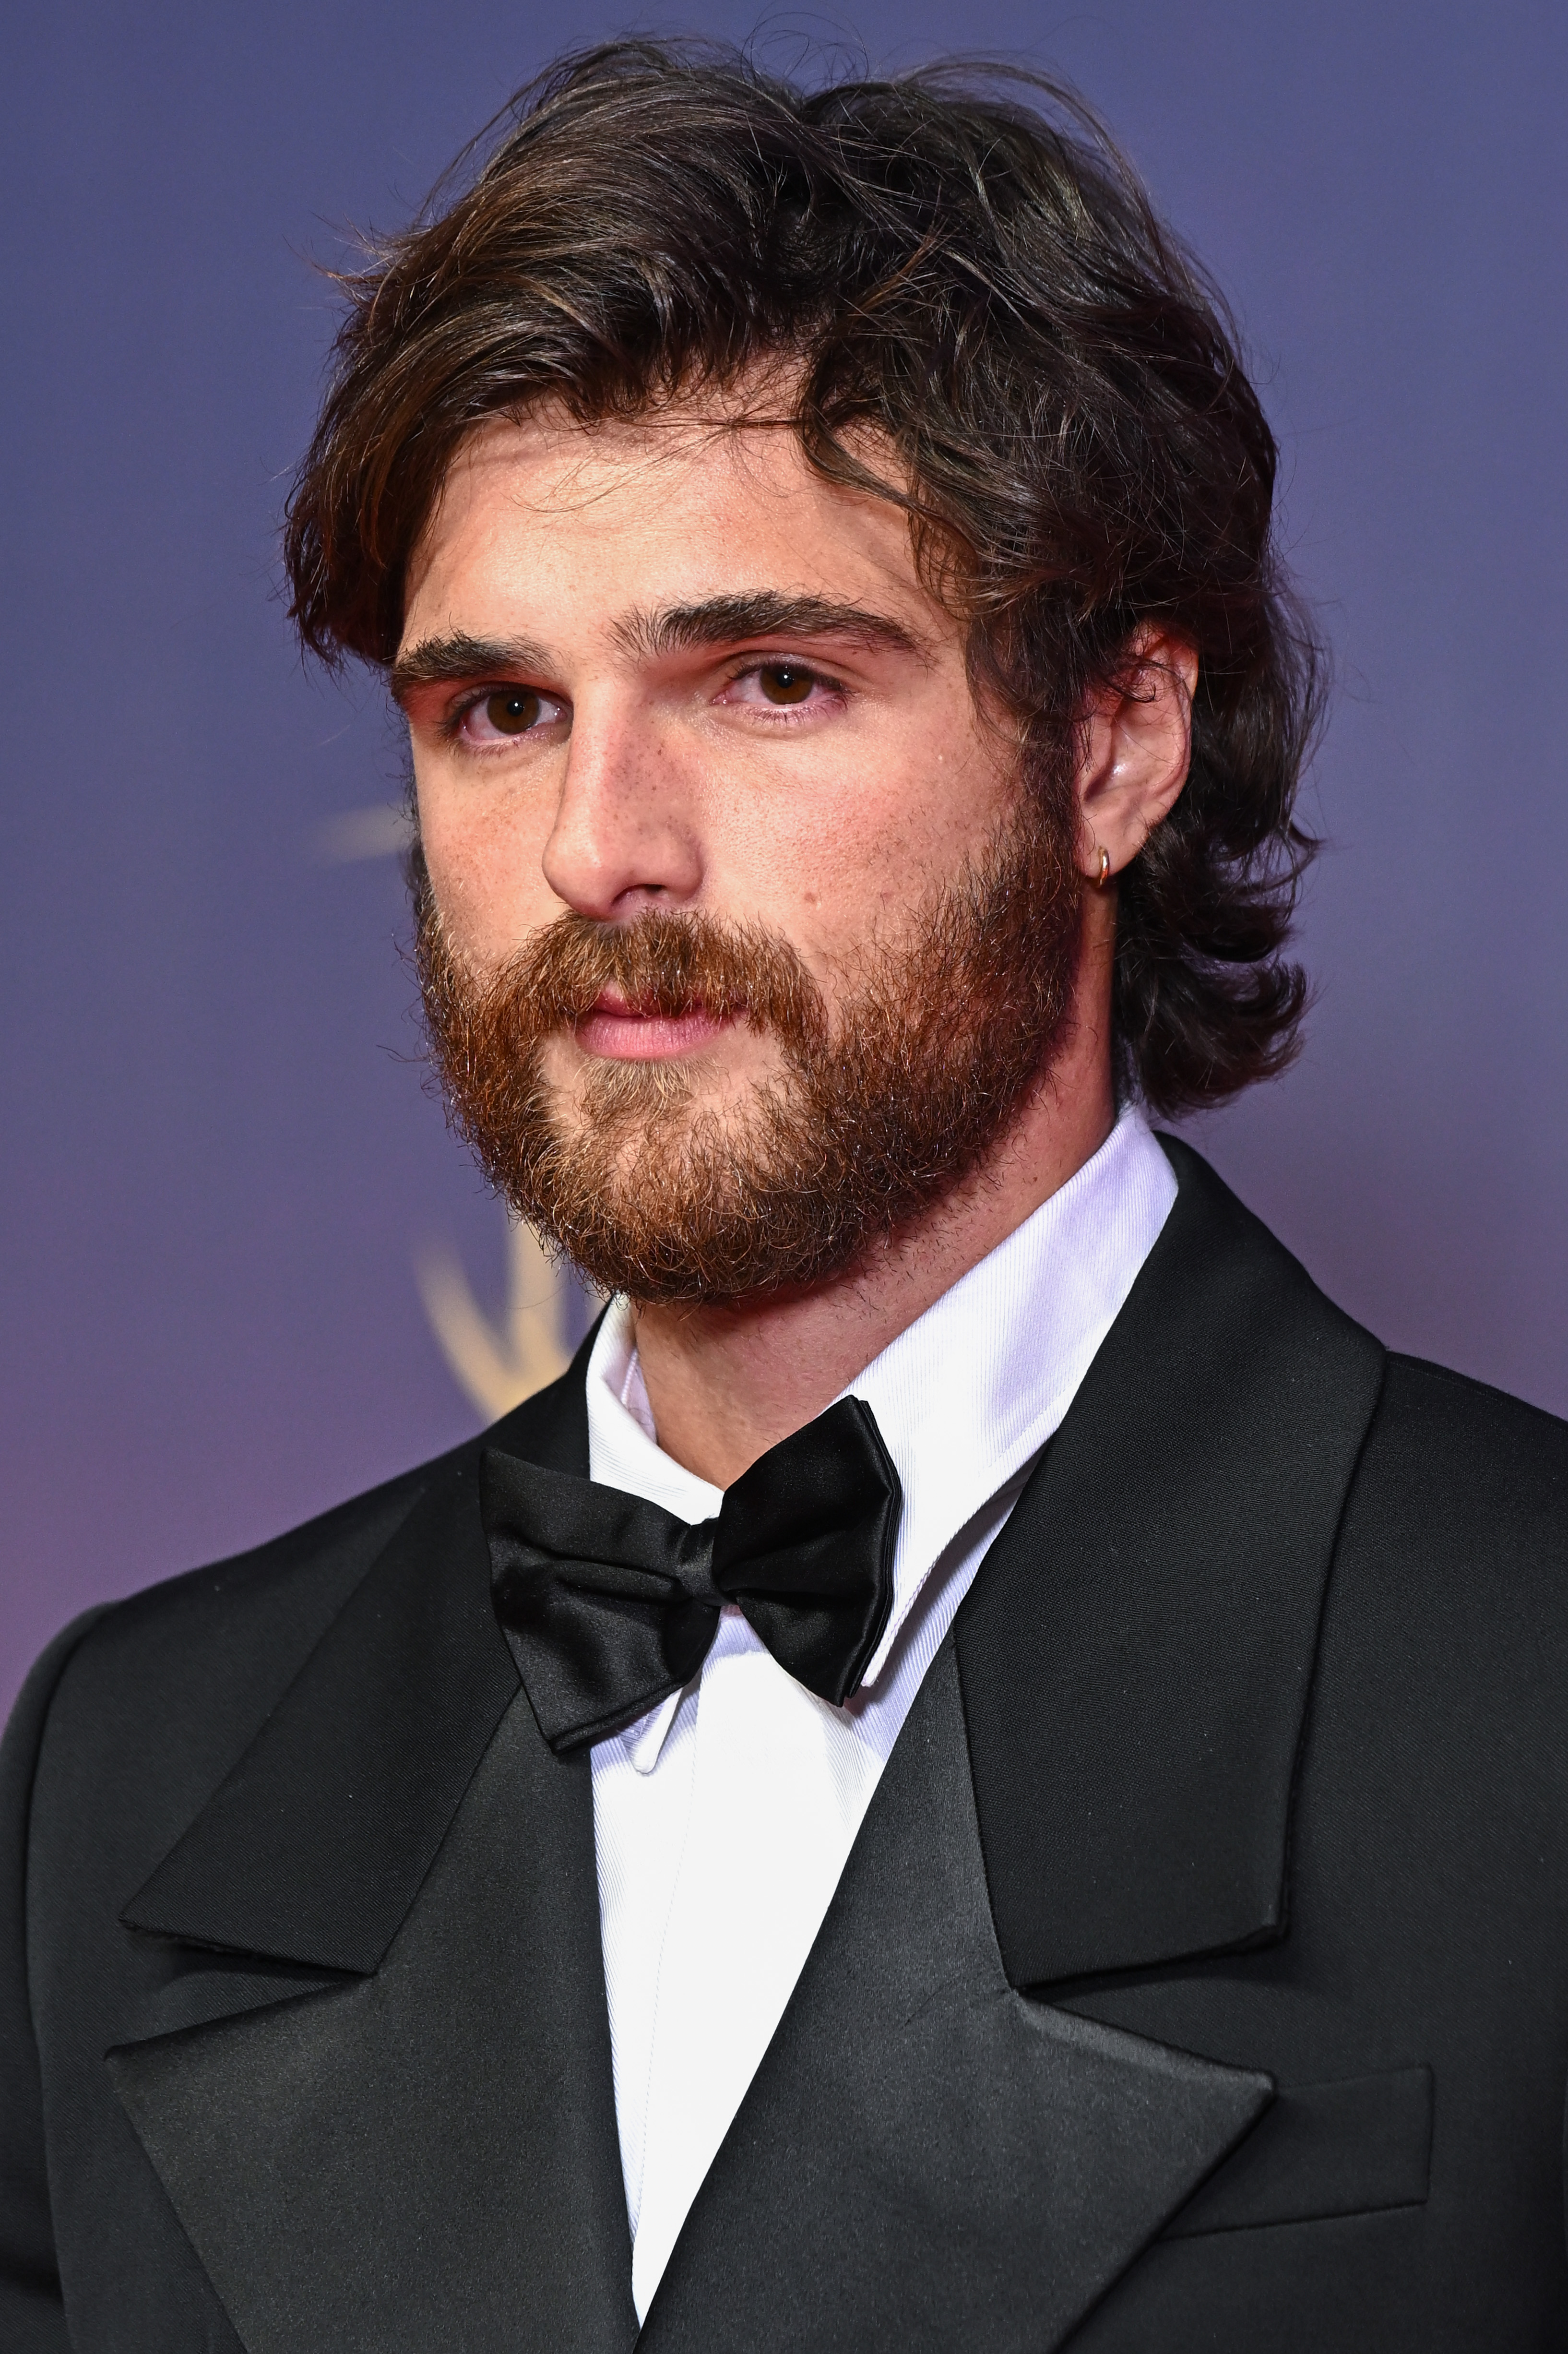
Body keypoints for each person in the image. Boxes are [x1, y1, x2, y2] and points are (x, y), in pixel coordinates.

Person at [4, 40, 1567, 2354]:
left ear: (1116, 743)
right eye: (498, 711)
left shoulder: (1523, 1702)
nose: (595, 850)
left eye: (764, 679)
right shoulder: (136, 1770)